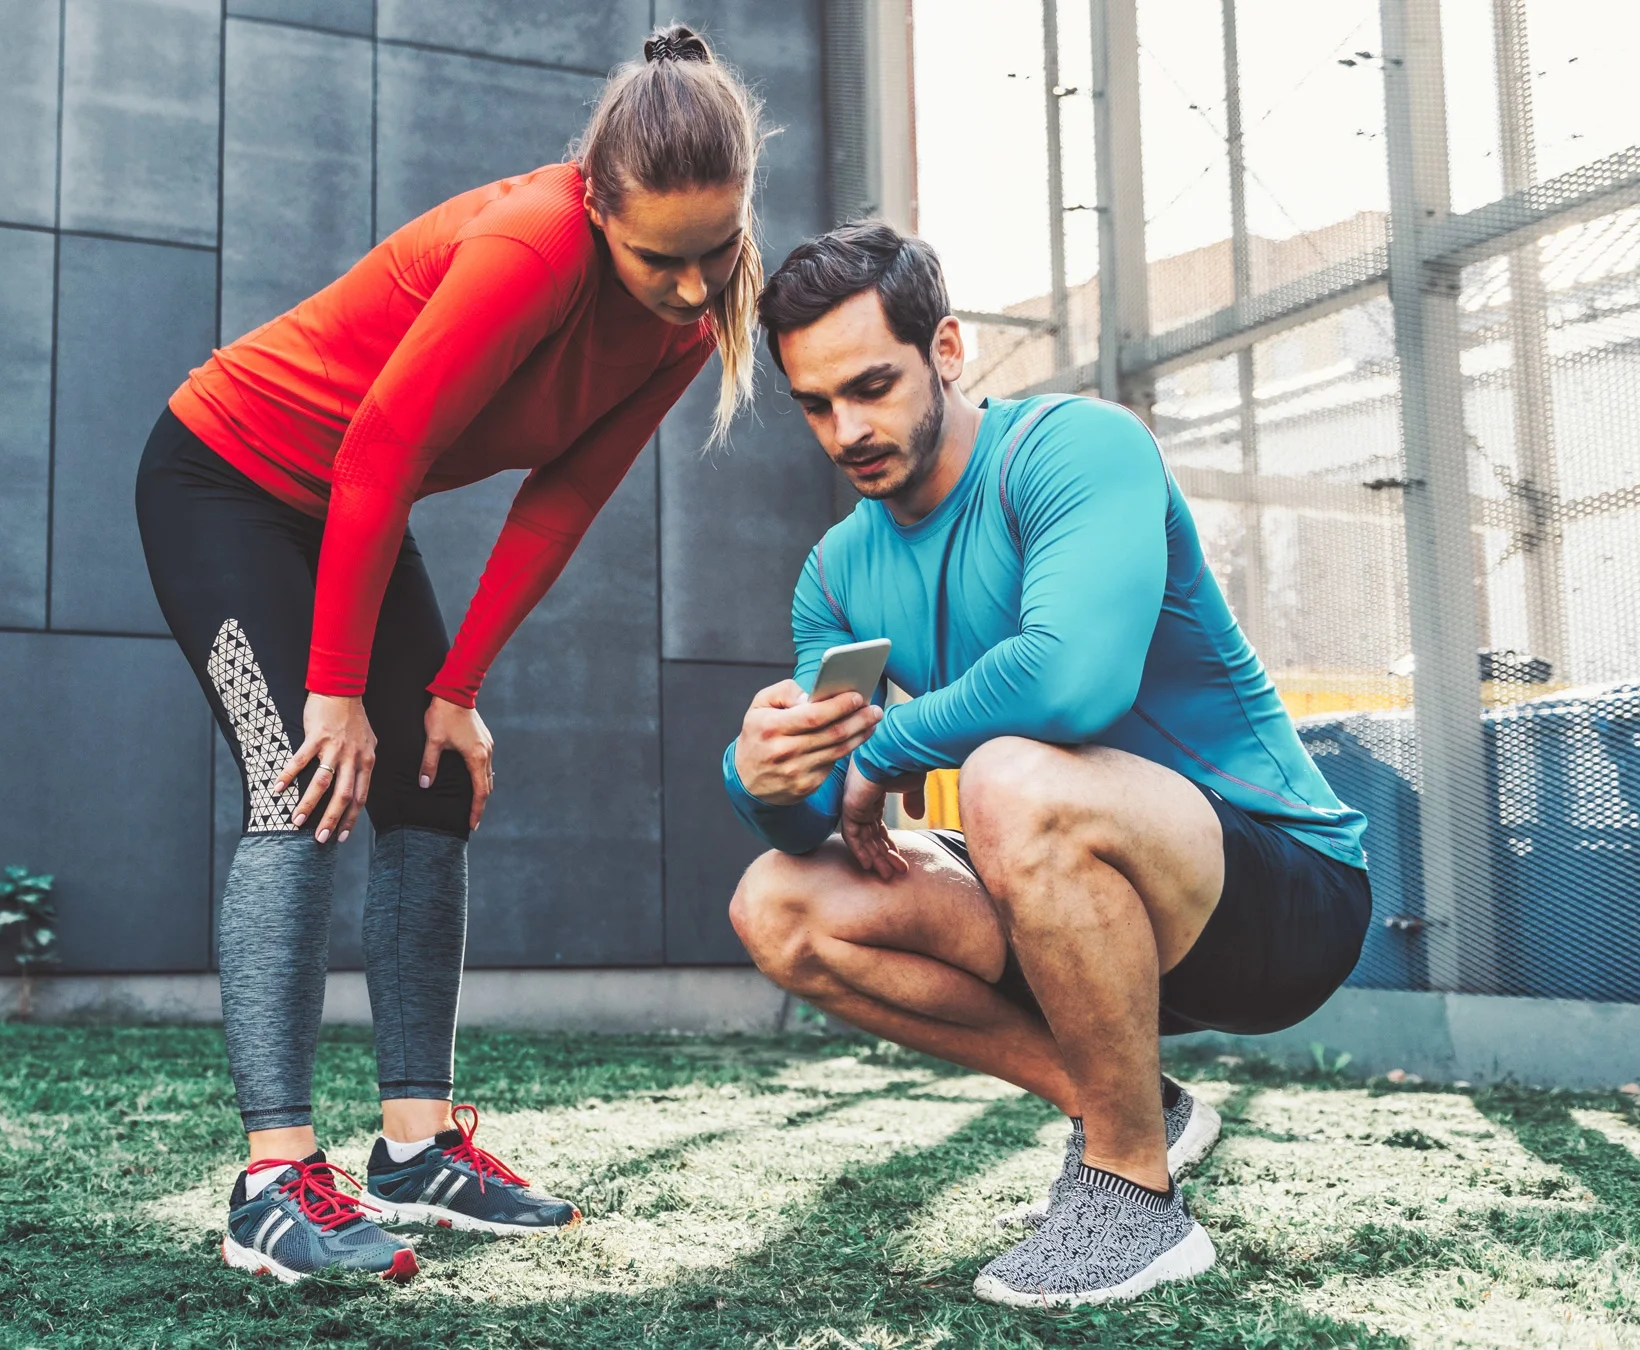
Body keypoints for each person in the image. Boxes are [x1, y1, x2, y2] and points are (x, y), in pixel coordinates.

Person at [137, 25, 767, 1283]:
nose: (696, 288)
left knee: (431, 787)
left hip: (356, 506)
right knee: (303, 780)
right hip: (225, 478)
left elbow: (561, 498)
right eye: (664, 259)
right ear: (598, 203)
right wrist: (333, 692)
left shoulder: (687, 322)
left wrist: (454, 694)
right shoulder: (529, 246)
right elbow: (377, 449)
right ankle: (270, 1180)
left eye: (717, 251)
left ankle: (416, 1147)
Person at [721, 223, 1371, 1308]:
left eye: (873, 385)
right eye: (817, 405)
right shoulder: (836, 571)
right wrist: (765, 778)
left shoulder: (1075, 447)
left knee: (1009, 775)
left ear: (948, 349)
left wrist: (883, 750)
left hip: (1277, 894)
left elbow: (1074, 681)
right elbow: (826, 816)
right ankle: (1127, 1105)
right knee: (778, 903)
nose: (848, 429)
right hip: (1064, 911)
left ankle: (1131, 1196)